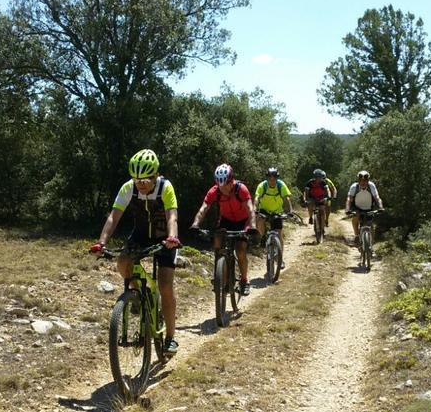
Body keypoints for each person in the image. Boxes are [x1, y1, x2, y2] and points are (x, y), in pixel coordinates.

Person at [90, 149, 182, 357]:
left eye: (146, 179)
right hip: (140, 235)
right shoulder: (128, 188)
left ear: (156, 174)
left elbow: (172, 216)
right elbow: (114, 217)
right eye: (137, 179)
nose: (141, 184)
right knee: (123, 263)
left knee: (166, 285)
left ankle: (170, 338)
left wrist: (172, 237)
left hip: (164, 237)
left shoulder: (165, 187)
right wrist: (101, 242)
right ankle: (140, 295)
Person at [190, 163, 257, 295]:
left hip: (243, 221)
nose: (223, 188)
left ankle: (244, 281)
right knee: (217, 245)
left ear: (232, 181)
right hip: (226, 221)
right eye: (220, 185)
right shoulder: (214, 191)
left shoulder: (241, 189)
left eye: (226, 184)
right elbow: (204, 208)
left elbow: (250, 208)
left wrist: (252, 226)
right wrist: (195, 224)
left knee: (240, 250)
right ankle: (220, 275)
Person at [253, 167, 294, 269]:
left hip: (277, 211)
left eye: (274, 178)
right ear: (267, 178)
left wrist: (290, 211)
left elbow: (286, 198)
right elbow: (257, 198)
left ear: (277, 178)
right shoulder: (262, 186)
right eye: (270, 177)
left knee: (279, 233)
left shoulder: (281, 185)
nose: (272, 180)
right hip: (264, 210)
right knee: (259, 221)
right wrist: (254, 209)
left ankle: (280, 259)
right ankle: (263, 237)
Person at [345, 170, 384, 242]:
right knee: (356, 217)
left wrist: (380, 207)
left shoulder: (371, 186)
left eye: (365, 180)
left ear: (368, 181)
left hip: (369, 208)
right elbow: (349, 199)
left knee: (370, 225)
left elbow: (377, 198)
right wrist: (347, 209)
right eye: (361, 180)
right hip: (357, 207)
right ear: (358, 180)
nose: (363, 182)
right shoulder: (354, 187)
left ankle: (371, 245)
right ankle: (356, 235)